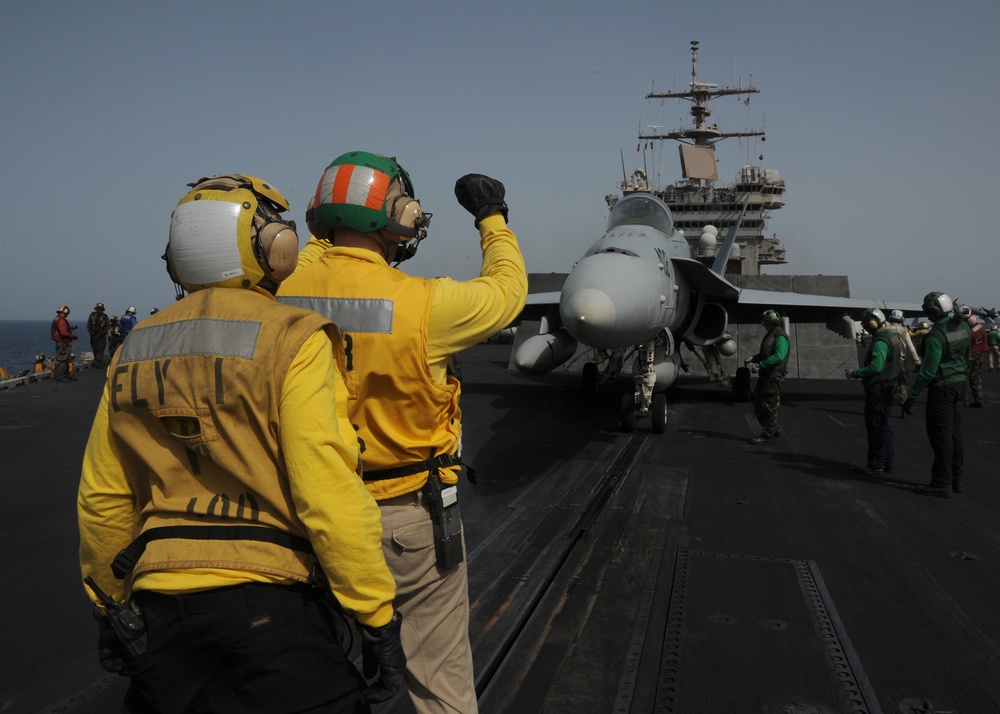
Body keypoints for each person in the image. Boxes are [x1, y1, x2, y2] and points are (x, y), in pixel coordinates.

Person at [78, 174, 405, 714]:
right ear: (273, 248)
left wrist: (110, 608)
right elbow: (327, 493)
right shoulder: (294, 338)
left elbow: (103, 499)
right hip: (269, 606)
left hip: (160, 611)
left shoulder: (132, 349)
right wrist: (374, 613)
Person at [279, 152, 528, 714]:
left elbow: (323, 257)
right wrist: (492, 217)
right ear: (403, 215)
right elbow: (508, 291)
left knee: (313, 679)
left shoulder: (280, 294)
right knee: (439, 682)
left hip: (300, 515)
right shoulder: (426, 304)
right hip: (405, 518)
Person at [903, 291, 972, 498]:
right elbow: (968, 355)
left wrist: (912, 397)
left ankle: (941, 483)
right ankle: (956, 480)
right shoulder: (963, 326)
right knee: (955, 434)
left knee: (941, 436)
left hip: (942, 387)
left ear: (933, 310)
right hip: (960, 384)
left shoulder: (936, 335)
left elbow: (927, 371)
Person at [846, 308, 900, 474]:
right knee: (884, 427)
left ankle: (876, 463)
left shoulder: (879, 341)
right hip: (889, 386)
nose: (865, 325)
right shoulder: (892, 337)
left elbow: (876, 367)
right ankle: (887, 462)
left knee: (876, 426)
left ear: (873, 322)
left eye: (866, 322)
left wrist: (855, 373)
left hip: (879, 390)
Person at [745, 309, 789, 444]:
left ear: (771, 322)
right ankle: (772, 427)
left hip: (774, 376)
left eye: (765, 321)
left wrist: (760, 364)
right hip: (766, 375)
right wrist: (754, 358)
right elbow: (766, 354)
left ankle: (768, 434)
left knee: (769, 405)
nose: (763, 324)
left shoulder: (780, 336)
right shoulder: (771, 335)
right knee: (758, 400)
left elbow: (778, 356)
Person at [885, 309, 921, 414]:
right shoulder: (904, 331)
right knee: (903, 383)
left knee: (887, 384)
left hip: (888, 362)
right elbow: (911, 348)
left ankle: (887, 406)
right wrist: (918, 362)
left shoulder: (885, 330)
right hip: (900, 361)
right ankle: (903, 405)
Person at [962, 308, 987, 407]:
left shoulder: (969, 332)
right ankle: (979, 399)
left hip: (970, 356)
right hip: (980, 356)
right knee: (976, 378)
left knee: (964, 377)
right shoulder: (981, 327)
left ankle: (964, 400)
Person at [50, 304, 79, 382]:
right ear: (65, 311)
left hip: (61, 342)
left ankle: (66, 375)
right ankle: (61, 377)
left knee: (66, 359)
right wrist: (73, 336)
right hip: (63, 343)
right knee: (62, 360)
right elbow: (63, 333)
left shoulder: (57, 319)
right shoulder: (61, 320)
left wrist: (70, 329)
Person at [87, 302, 111, 367]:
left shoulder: (105, 316)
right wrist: (91, 332)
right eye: (98, 308)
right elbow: (89, 324)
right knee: (94, 348)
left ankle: (99, 362)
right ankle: (96, 361)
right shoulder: (92, 315)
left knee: (100, 349)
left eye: (100, 308)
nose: (99, 310)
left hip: (101, 336)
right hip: (93, 335)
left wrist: (102, 333)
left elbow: (107, 326)